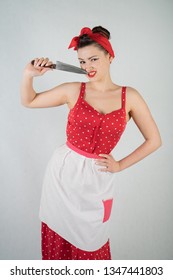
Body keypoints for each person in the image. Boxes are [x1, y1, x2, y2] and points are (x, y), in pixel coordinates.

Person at [21, 26, 162, 260]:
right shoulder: (73, 90)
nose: (87, 67)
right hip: (63, 177)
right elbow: (30, 101)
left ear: (110, 56)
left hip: (97, 181)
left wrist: (120, 165)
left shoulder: (131, 96)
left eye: (94, 59)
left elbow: (154, 140)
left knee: (92, 242)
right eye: (82, 61)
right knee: (60, 242)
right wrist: (28, 74)